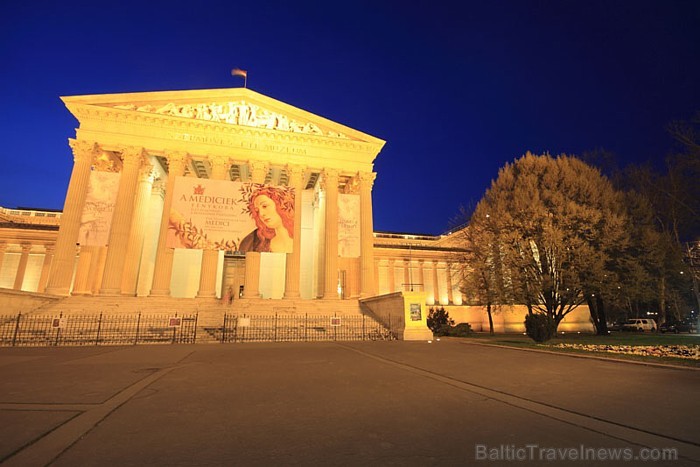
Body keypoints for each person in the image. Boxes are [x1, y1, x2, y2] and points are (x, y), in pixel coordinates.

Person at [239, 185, 294, 253]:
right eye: (257, 211)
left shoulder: (299, 239)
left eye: (265, 206)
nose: (261, 214)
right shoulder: (251, 241)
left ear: (280, 205)